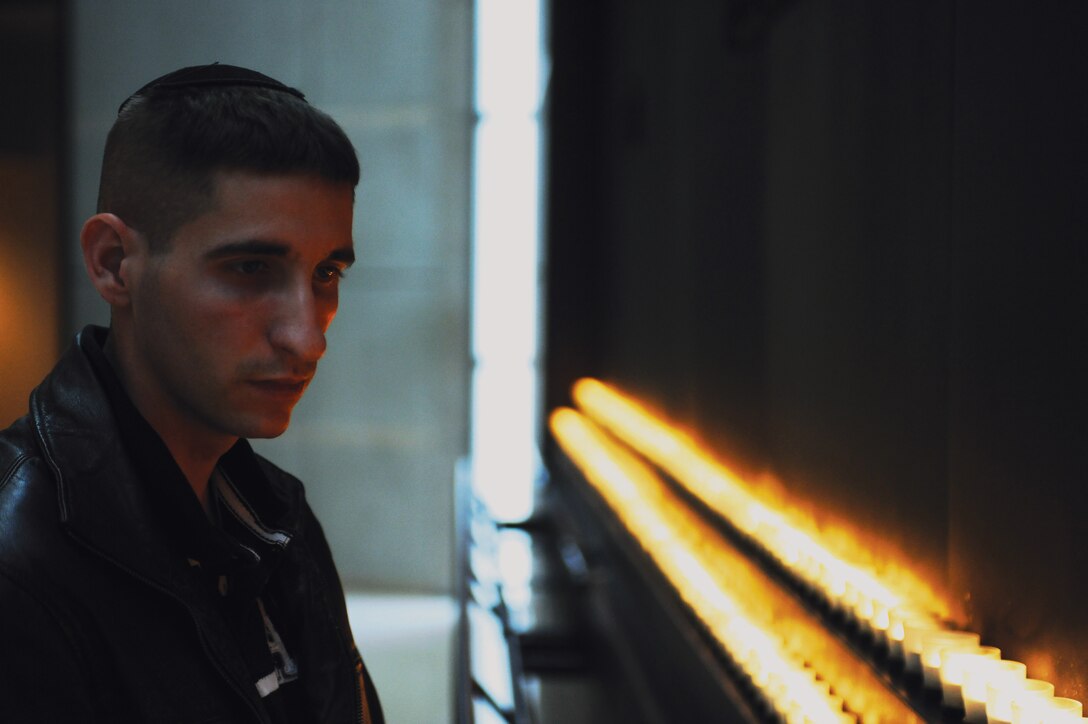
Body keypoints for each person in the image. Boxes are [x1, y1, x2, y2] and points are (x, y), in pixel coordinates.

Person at [0, 64, 384, 723]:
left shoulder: (278, 514)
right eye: (250, 269)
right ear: (114, 263)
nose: (307, 337)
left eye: (326, 273)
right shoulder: (20, 565)